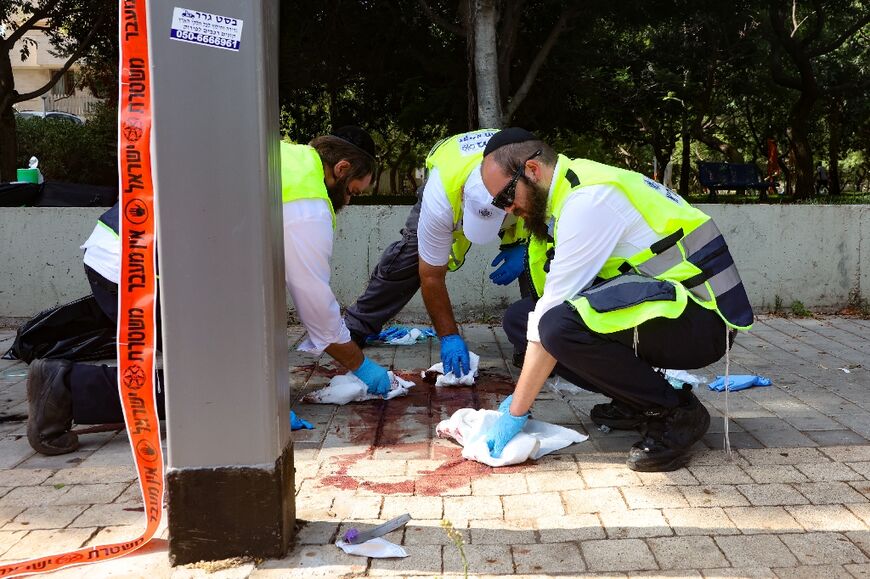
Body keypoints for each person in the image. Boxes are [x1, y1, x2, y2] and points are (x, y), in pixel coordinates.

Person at [26, 126, 388, 455]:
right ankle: (63, 388)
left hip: (124, 245)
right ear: (341, 169)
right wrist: (361, 365)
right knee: (210, 388)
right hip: (139, 266)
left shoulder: (285, 157)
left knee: (224, 375)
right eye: (355, 190)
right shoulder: (308, 203)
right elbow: (314, 302)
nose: (351, 200)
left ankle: (64, 386)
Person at [478, 128, 754, 472]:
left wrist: (515, 411)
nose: (508, 209)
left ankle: (675, 412)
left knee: (555, 327)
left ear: (532, 171)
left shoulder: (589, 200)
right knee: (522, 318)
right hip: (673, 308)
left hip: (704, 320)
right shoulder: (570, 192)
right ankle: (636, 400)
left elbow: (554, 312)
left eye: (506, 196)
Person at [343, 129, 531, 377]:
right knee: (410, 255)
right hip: (451, 178)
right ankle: (355, 328)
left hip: (518, 190)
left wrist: (526, 249)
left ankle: (534, 343)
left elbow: (555, 232)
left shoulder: (534, 180)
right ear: (463, 197)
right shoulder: (440, 195)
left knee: (541, 261)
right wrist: (449, 336)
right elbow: (431, 276)